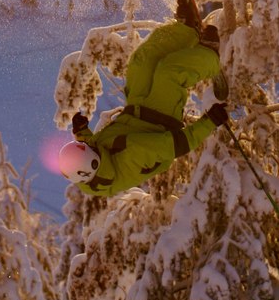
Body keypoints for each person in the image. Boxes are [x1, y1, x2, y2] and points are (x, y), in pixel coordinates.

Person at [58, 18, 229, 197]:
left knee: (141, 62)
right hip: (160, 119)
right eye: (88, 147)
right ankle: (211, 57)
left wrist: (82, 131)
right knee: (168, 73)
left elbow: (92, 147)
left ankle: (186, 29)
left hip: (136, 111)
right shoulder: (133, 156)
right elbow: (176, 145)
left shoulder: (91, 164)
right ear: (93, 163)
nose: (89, 144)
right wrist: (210, 121)